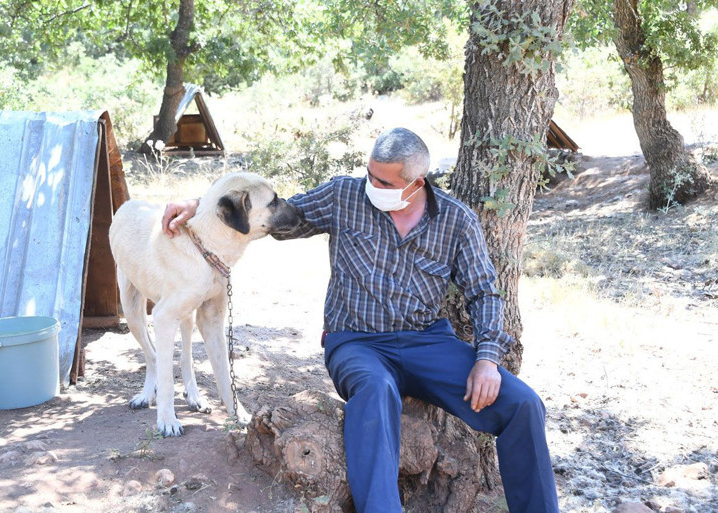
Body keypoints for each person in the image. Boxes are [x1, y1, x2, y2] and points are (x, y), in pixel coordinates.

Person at [161, 127, 559, 513]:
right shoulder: (345, 195)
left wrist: (487, 360)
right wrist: (204, 207)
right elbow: (278, 215)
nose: (371, 186)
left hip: (427, 342)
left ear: (416, 183)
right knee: (375, 391)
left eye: (383, 183)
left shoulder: (457, 221)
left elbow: (485, 293)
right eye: (369, 174)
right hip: (356, 343)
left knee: (523, 405)